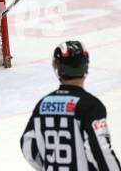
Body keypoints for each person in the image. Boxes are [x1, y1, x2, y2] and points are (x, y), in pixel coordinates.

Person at [20, 41, 121, 171]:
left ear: (58, 69)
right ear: (85, 67)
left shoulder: (43, 105)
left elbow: (28, 147)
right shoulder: (91, 106)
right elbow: (100, 148)